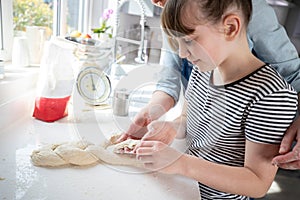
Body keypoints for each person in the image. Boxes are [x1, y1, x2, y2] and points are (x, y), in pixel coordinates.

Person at [133, 0, 298, 199]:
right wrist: (172, 127)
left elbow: (257, 182)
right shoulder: (204, 68)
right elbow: (188, 118)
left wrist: (182, 163)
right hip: (185, 189)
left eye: (189, 40)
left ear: (230, 28)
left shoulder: (272, 95)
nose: (182, 54)